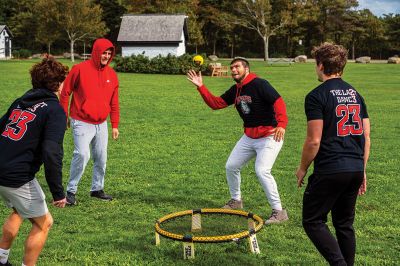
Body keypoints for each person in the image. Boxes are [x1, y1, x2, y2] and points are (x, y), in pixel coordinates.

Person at [187, 57, 289, 224]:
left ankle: (279, 211)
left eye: (237, 67)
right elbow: (216, 103)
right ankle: (236, 201)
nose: (233, 70)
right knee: (231, 166)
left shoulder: (260, 84)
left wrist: (282, 124)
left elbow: (278, 101)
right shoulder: (236, 90)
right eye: (232, 67)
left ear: (246, 69)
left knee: (262, 170)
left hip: (270, 135)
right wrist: (201, 87)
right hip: (249, 136)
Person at [295, 43, 370, 266]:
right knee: (344, 224)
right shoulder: (356, 94)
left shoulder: (316, 96)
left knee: (312, 220)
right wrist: (362, 170)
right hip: (355, 168)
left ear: (320, 65)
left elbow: (314, 140)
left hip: (331, 168)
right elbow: (366, 136)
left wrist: (302, 168)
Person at [0, 57, 68, 266]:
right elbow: (51, 152)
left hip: (3, 171)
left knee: (19, 211)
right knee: (44, 223)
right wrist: (58, 192)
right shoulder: (54, 110)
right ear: (58, 83)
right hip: (16, 176)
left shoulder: (21, 101)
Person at [60, 38, 120, 205]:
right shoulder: (79, 69)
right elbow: (65, 93)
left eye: (109, 53)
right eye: (104, 52)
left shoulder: (112, 75)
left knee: (101, 157)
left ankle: (97, 189)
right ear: (96, 52)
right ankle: (71, 191)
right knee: (82, 154)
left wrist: (114, 124)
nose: (106, 56)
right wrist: (64, 116)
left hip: (102, 124)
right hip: (81, 121)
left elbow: (114, 102)